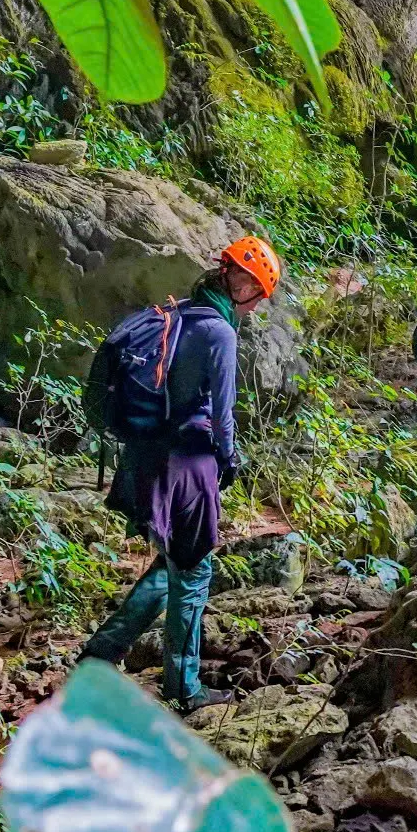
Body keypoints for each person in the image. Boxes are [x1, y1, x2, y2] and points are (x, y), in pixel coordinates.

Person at [80, 233, 282, 709]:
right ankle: (185, 687)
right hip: (186, 464)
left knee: (173, 562)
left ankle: (102, 653)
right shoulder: (220, 332)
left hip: (146, 455)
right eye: (256, 293)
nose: (255, 306)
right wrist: (230, 461)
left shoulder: (183, 312)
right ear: (239, 283)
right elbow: (225, 415)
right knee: (193, 571)